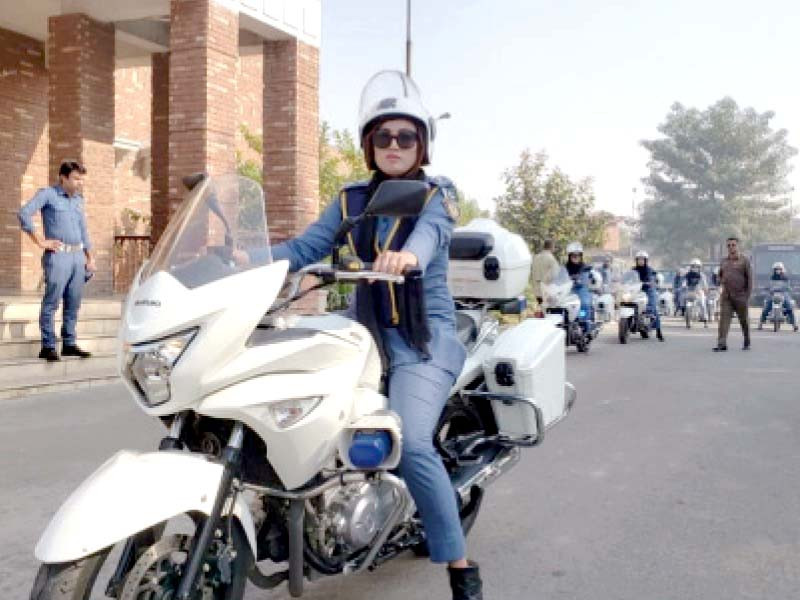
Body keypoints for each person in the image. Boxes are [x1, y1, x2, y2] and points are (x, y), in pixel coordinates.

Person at [251, 71, 481, 599]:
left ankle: (461, 570)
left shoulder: (436, 194)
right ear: (368, 145)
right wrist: (244, 259)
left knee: (415, 443)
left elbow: (430, 235)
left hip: (422, 342)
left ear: (422, 144)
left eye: (405, 136)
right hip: (362, 340)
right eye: (384, 137)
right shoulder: (351, 200)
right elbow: (307, 248)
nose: (394, 145)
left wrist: (408, 257)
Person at [18, 160, 96, 362]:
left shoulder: (78, 199)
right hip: (58, 256)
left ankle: (69, 344)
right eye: (76, 179)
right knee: (52, 301)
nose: (80, 183)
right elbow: (24, 212)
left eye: (82, 179)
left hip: (78, 257)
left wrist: (90, 257)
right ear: (63, 178)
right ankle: (48, 346)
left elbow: (83, 229)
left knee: (73, 302)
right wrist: (40, 242)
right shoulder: (48, 194)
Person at [714, 236, 752, 351]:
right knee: (723, 320)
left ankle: (747, 340)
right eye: (729, 245)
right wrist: (720, 280)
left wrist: (747, 296)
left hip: (740, 295)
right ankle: (722, 343)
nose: (731, 247)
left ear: (738, 246)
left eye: (733, 245)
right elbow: (720, 275)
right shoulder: (724, 261)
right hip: (727, 296)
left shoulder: (744, 260)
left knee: (744, 320)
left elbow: (749, 279)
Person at [633, 250, 664, 341]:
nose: (641, 261)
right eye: (639, 259)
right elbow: (627, 278)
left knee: (653, 308)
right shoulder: (633, 270)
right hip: (636, 291)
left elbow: (653, 279)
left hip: (648, 291)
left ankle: (659, 332)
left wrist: (651, 282)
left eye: (643, 259)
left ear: (646, 260)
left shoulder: (650, 270)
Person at [564, 242, 595, 333]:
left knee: (584, 304)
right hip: (568, 291)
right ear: (569, 256)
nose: (575, 257)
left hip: (581, 290)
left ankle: (584, 324)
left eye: (577, 255)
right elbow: (558, 278)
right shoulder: (565, 268)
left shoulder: (585, 267)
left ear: (581, 256)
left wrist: (593, 279)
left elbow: (592, 277)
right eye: (573, 255)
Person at [758, 262, 798, 331]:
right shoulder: (771, 278)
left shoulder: (786, 278)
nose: (778, 270)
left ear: (782, 270)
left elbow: (789, 286)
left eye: (779, 269)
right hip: (772, 294)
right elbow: (768, 285)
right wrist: (766, 289)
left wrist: (790, 289)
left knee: (789, 307)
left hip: (783, 294)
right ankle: (761, 323)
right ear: (774, 270)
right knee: (766, 308)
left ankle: (794, 324)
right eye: (776, 269)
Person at [531, 239, 559, 307]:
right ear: (552, 247)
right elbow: (555, 275)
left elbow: (533, 272)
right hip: (547, 290)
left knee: (541, 310)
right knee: (549, 312)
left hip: (537, 290)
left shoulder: (536, 257)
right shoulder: (551, 259)